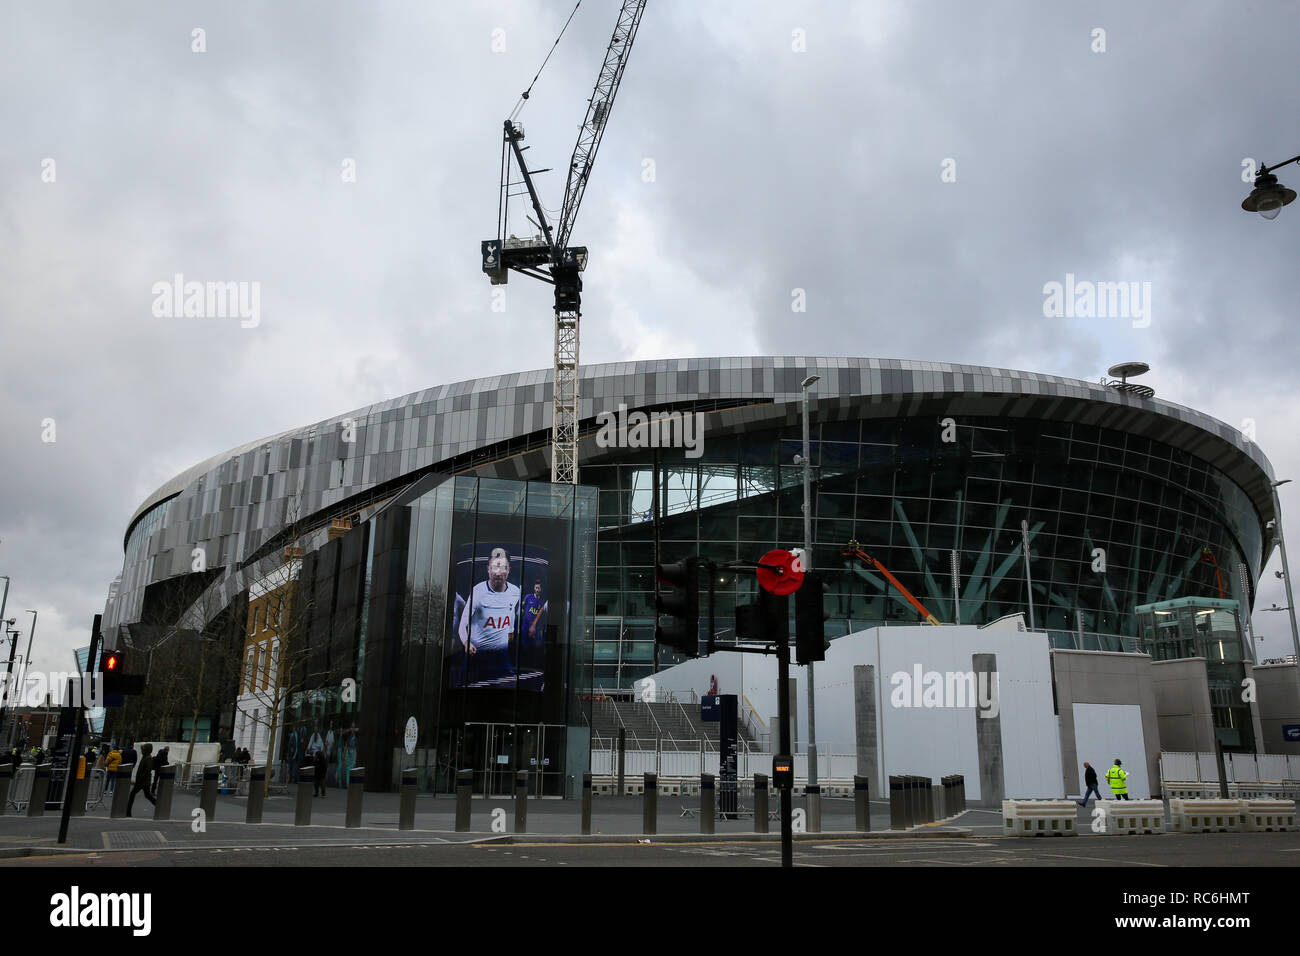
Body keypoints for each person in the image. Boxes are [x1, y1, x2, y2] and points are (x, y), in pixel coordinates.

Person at [457, 547, 521, 685]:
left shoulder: (515, 592)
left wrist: (510, 631)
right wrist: (466, 643)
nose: (498, 572)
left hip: (501, 657)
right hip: (477, 656)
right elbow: (463, 624)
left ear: (509, 569)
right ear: (488, 569)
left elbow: (511, 613)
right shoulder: (478, 592)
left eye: (503, 567)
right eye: (494, 567)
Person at [126, 744, 156, 816]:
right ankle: (159, 805)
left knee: (132, 794)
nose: (142, 750)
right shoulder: (145, 756)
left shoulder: (148, 758)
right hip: (143, 781)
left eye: (144, 749)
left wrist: (140, 779)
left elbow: (147, 770)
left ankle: (128, 812)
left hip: (142, 781)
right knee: (147, 795)